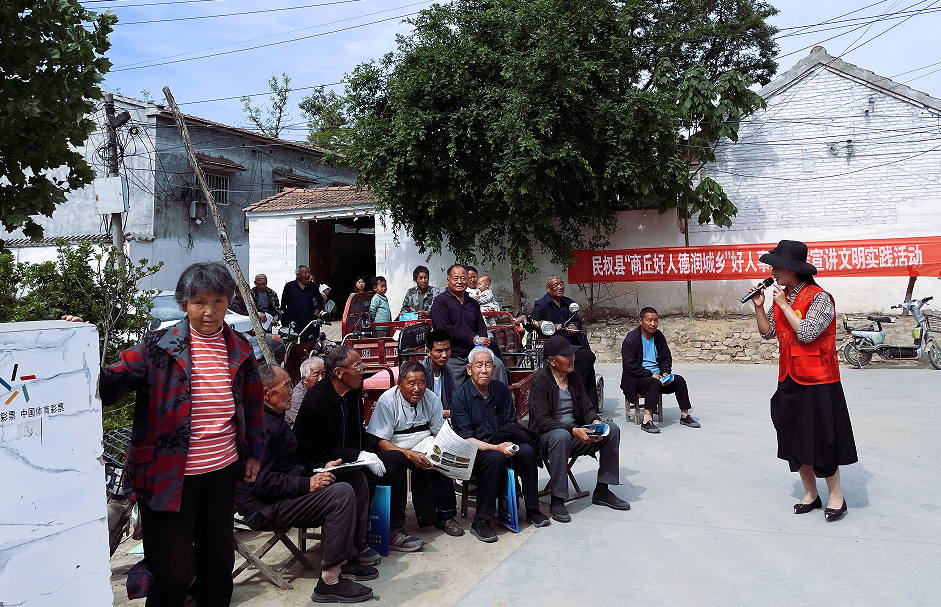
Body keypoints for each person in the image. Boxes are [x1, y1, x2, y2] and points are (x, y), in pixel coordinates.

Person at [87, 261, 265, 607]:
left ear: (228, 302)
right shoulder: (158, 346)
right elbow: (111, 381)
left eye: (217, 301)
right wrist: (75, 344)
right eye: (199, 302)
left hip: (221, 470)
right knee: (171, 572)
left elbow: (253, 403)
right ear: (184, 304)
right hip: (166, 476)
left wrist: (254, 452)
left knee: (217, 565)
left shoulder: (239, 347)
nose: (209, 311)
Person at [236, 364, 378, 604]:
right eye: (286, 386)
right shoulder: (256, 428)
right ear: (266, 393)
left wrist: (321, 469)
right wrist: (307, 484)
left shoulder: (275, 419)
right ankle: (329, 581)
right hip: (263, 507)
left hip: (280, 495)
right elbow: (261, 483)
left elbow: (289, 466)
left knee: (354, 479)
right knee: (340, 493)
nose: (292, 391)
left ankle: (348, 556)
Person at [751, 240, 857, 521]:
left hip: (818, 380)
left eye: (777, 266)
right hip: (789, 377)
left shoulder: (820, 298)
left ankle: (837, 496)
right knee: (793, 436)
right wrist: (760, 307)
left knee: (823, 439)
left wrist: (783, 305)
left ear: (794, 269)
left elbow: (807, 333)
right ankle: (811, 493)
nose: (772, 271)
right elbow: (767, 332)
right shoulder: (781, 297)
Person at [293, 346, 425, 551]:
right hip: (323, 464)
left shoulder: (353, 393)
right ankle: (357, 541)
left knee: (396, 460)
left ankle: (394, 529)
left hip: (352, 457)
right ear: (339, 372)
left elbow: (359, 433)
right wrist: (360, 455)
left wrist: (368, 453)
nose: (362, 371)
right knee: (363, 474)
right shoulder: (316, 399)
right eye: (358, 367)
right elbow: (315, 448)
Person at [450, 347, 550, 542]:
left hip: (503, 445)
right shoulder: (460, 397)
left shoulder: (501, 390)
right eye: (479, 365)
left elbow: (511, 424)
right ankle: (481, 521)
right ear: (469, 369)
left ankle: (532, 509)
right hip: (475, 453)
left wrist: (507, 446)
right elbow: (466, 439)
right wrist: (497, 448)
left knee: (527, 451)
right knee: (494, 458)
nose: (484, 370)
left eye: (488, 365)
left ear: (494, 368)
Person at [529, 335, 629, 523]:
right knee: (561, 436)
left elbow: (587, 408)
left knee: (612, 430)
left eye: (572, 355)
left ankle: (602, 490)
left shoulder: (574, 377)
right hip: (548, 439)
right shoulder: (541, 380)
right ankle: (557, 498)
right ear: (552, 361)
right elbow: (541, 420)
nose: (572, 359)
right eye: (566, 356)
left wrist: (595, 422)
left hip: (575, 434)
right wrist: (573, 431)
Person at [366, 361, 465, 537]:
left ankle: (446, 515)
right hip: (395, 446)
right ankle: (396, 523)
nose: (417, 389)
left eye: (421, 383)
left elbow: (438, 432)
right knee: (397, 462)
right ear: (400, 384)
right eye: (411, 383)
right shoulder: (387, 400)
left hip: (423, 440)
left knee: (439, 455)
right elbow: (381, 441)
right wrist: (410, 455)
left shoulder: (431, 398)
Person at [620, 307, 701, 434]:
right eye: (649, 320)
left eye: (656, 320)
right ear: (640, 321)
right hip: (637, 380)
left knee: (679, 380)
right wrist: (651, 375)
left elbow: (666, 357)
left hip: (658, 378)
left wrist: (665, 373)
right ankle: (647, 420)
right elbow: (630, 365)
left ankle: (685, 415)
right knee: (653, 383)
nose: (653, 324)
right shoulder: (631, 339)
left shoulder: (658, 336)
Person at [430, 264, 509, 389]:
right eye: (455, 278)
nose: (459, 282)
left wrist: (482, 343)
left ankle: (501, 400)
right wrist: (472, 340)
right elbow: (445, 329)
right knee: (452, 391)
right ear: (448, 280)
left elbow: (481, 326)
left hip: (474, 352)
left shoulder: (473, 303)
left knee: (497, 366)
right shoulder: (441, 301)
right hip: (453, 355)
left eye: (463, 278)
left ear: (468, 280)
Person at [530, 275, 599, 408]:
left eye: (561, 283)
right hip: (555, 346)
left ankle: (591, 408)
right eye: (556, 284)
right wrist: (541, 324)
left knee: (589, 364)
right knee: (588, 358)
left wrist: (574, 325)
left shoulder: (569, 303)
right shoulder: (542, 304)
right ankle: (572, 389)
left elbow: (578, 321)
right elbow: (533, 321)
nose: (560, 287)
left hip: (572, 344)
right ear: (548, 288)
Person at [422, 329, 455, 418]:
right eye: (439, 351)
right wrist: (441, 413)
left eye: (447, 349)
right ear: (428, 352)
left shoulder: (448, 370)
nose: (444, 355)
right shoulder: (422, 372)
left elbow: (454, 396)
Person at [281, 265, 324, 332]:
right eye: (305, 273)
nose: (308, 275)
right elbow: (283, 304)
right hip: (293, 321)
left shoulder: (312, 286)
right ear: (298, 275)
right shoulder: (289, 286)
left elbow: (320, 299)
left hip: (308, 320)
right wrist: (283, 321)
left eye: (309, 272)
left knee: (309, 338)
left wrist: (319, 309)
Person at [287, 357, 326, 428]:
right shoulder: (296, 398)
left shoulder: (322, 388)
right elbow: (308, 424)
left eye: (323, 374)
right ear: (304, 379)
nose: (321, 379)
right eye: (316, 375)